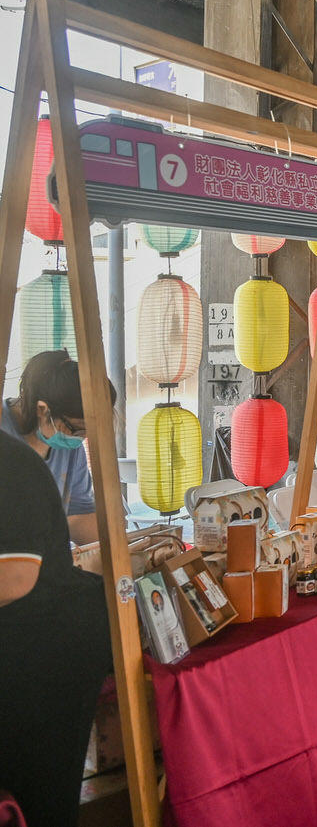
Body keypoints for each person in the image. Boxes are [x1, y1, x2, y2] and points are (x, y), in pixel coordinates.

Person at [0, 429, 113, 827]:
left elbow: (13, 578)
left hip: (48, 646)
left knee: (38, 795)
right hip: (21, 638)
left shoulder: (9, 465)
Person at [1, 350, 117, 545]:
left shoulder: (68, 446)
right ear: (42, 410)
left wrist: (121, 551)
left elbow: (77, 515)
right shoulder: (5, 436)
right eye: (77, 429)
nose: (82, 438)